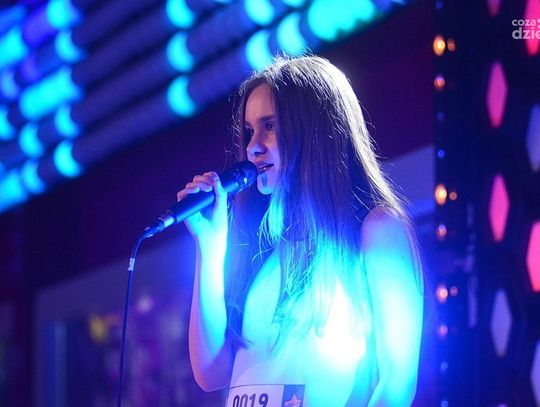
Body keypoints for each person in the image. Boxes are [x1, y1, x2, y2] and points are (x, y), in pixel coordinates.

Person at [177, 55, 424, 406]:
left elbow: (397, 381)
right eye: (249, 131)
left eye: (270, 126)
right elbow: (210, 373)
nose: (253, 146)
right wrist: (210, 246)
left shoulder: (377, 229)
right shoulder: (260, 245)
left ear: (314, 130)